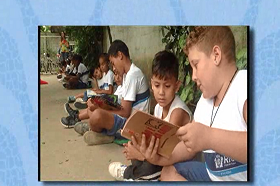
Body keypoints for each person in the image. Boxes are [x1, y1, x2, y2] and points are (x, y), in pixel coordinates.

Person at [135, 26, 247, 181]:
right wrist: (157, 159)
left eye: (196, 65)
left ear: (216, 55)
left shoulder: (244, 85)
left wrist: (209, 137)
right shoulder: (204, 102)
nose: (193, 76)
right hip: (211, 176)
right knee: (169, 172)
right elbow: (187, 148)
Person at [108, 50, 193, 181]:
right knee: (135, 152)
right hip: (161, 160)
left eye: (167, 86)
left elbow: (167, 151)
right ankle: (135, 174)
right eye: (157, 85)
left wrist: (142, 154)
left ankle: (129, 174)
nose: (161, 92)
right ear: (151, 84)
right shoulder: (158, 108)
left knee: (148, 165)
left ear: (177, 86)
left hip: (178, 163)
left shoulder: (178, 112)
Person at [61, 40, 151, 147]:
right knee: (93, 108)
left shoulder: (133, 75)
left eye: (113, 63)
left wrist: (100, 109)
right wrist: (102, 104)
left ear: (120, 55)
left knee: (97, 115)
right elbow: (121, 104)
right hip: (128, 118)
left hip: (133, 124)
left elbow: (125, 112)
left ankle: (100, 132)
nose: (114, 68)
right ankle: (100, 132)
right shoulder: (128, 74)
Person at [73, 70, 124, 136]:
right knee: (90, 102)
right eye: (115, 75)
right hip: (108, 101)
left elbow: (110, 92)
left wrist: (100, 107)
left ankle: (80, 118)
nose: (116, 78)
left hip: (110, 103)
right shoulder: (119, 87)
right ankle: (77, 115)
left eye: (118, 75)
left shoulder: (109, 75)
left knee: (96, 111)